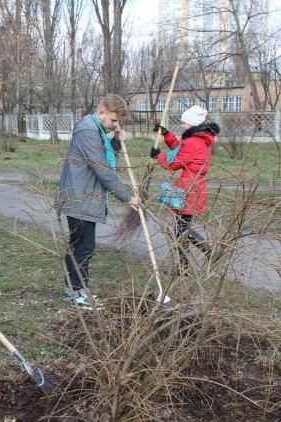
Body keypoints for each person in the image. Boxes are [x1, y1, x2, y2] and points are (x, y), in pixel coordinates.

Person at [55, 94, 139, 310]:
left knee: (79, 245)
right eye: (113, 120)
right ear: (101, 112)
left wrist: (116, 141)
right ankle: (77, 293)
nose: (114, 125)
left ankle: (73, 290)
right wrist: (128, 197)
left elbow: (104, 157)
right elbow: (102, 169)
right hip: (79, 197)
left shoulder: (96, 130)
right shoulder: (88, 131)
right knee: (84, 247)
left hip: (83, 196)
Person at [151, 105, 220, 274]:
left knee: (182, 229)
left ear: (192, 124)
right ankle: (183, 268)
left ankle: (209, 252)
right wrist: (167, 135)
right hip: (194, 186)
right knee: (181, 228)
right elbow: (179, 149)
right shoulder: (199, 140)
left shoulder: (193, 142)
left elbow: (174, 163)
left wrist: (158, 156)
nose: (182, 125)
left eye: (184, 123)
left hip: (188, 188)